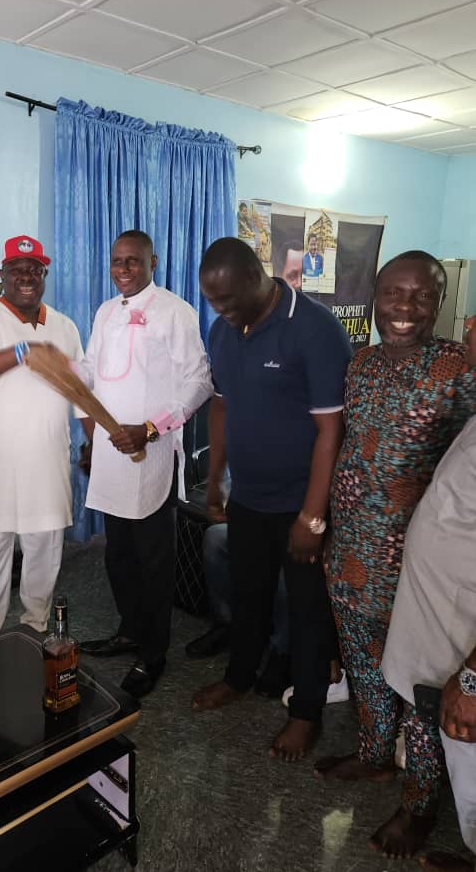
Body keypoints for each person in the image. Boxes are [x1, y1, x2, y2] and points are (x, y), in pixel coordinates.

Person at [317, 251, 476, 859]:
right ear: (375, 295)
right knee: (364, 668)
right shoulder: (360, 364)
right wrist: (329, 530)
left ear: (440, 303)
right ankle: (374, 756)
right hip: (350, 552)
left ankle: (419, 804)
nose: (405, 308)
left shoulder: (458, 369)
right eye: (393, 293)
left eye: (422, 296)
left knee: (419, 690)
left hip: (418, 570)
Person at [193, 237, 351, 762]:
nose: (221, 312)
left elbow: (330, 430)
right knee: (248, 595)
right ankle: (239, 676)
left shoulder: (314, 329)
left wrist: (313, 516)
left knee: (307, 611)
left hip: (301, 502)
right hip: (249, 497)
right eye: (213, 302)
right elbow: (221, 406)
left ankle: (306, 713)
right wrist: (217, 478)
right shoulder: (223, 329)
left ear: (256, 278)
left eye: (228, 300)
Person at [76, 230, 212, 699]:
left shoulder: (175, 311)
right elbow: (91, 371)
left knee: (154, 561)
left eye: (133, 260)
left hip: (151, 454)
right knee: (119, 556)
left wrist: (152, 428)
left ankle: (153, 653)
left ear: (153, 262)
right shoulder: (105, 312)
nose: (123, 269)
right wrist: (60, 372)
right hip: (112, 457)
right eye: (117, 260)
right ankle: (130, 631)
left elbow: (199, 382)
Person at [0, 235, 86, 637]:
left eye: (35, 269)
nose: (26, 276)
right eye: (17, 269)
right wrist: (22, 352)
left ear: (44, 275)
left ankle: (35, 627)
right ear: (3, 274)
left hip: (48, 455)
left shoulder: (64, 325)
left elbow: (81, 391)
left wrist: (94, 442)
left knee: (45, 546)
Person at [381, 316, 476, 872]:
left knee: (467, 753)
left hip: (464, 644)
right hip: (443, 619)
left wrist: (473, 678)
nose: (469, 323)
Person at [184, 520, 292, 700]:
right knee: (215, 537)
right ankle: (228, 624)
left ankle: (282, 652)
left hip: (298, 529)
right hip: (261, 521)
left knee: (285, 567)